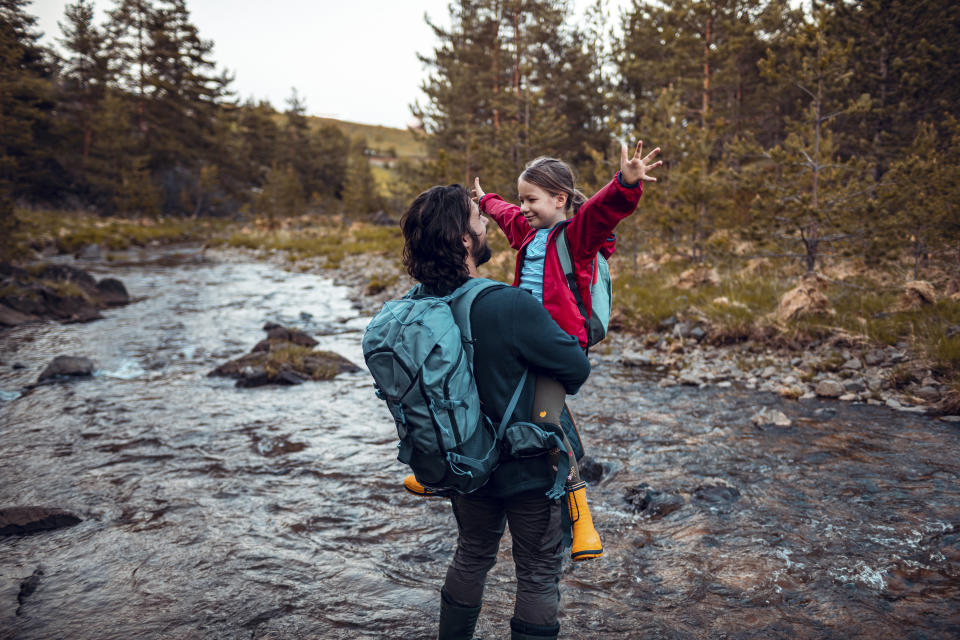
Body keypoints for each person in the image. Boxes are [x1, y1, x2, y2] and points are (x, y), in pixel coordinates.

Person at [400, 184, 591, 640]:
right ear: (465, 240)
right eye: (476, 217)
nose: (485, 223)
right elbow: (575, 368)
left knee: (471, 554)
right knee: (539, 572)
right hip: (527, 468)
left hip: (463, 461)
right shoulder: (508, 304)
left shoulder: (415, 307)